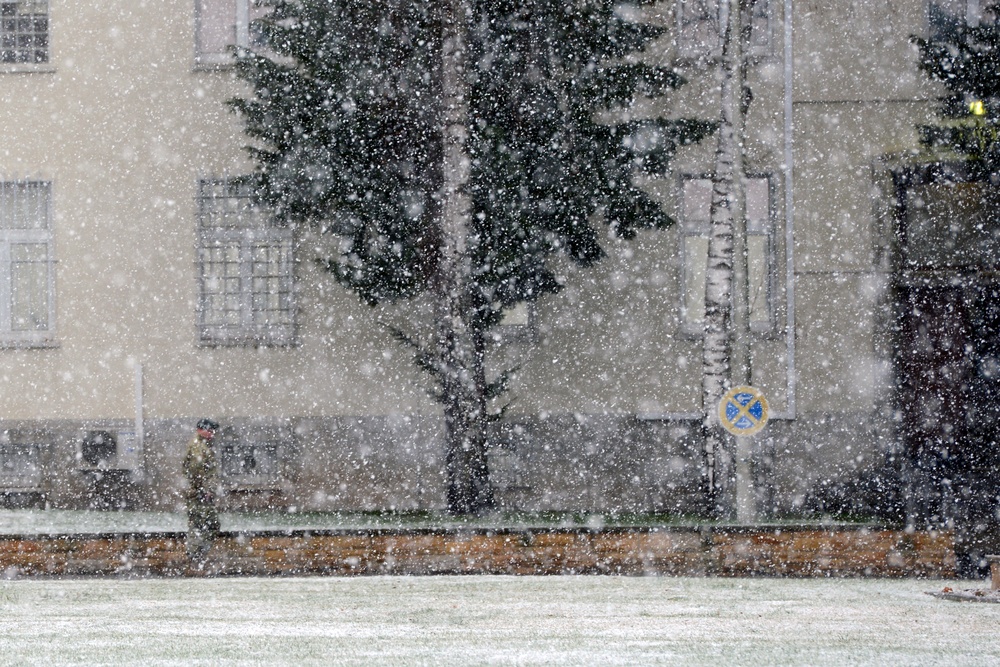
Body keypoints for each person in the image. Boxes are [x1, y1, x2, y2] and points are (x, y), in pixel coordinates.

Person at [183, 418, 221, 564]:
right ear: (200, 430)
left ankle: (197, 557)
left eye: (213, 431)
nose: (212, 433)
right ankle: (195, 558)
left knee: (203, 524)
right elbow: (196, 471)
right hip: (199, 494)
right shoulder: (199, 447)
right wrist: (205, 490)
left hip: (199, 493)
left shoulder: (202, 445)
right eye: (209, 430)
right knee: (201, 525)